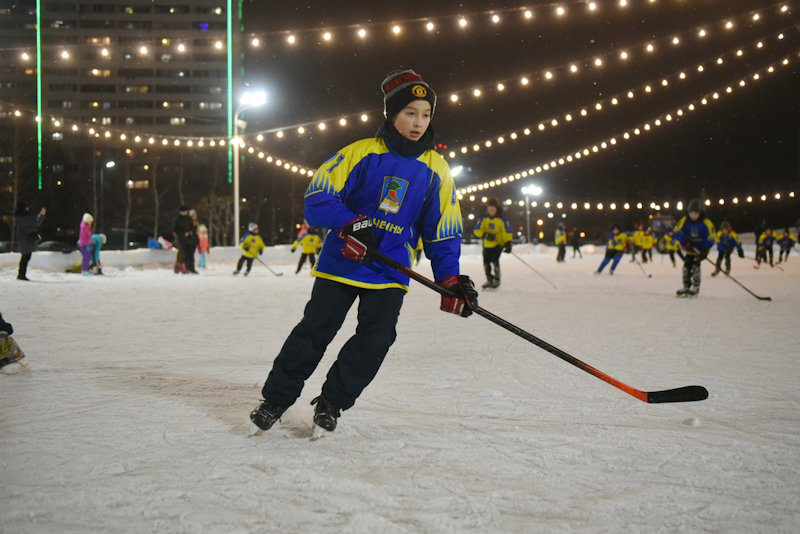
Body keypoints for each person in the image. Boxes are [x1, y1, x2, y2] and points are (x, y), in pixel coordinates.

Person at [250, 69, 476, 434]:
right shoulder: (360, 152)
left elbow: (442, 231)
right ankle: (276, 399)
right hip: (341, 262)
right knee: (314, 331)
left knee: (377, 339)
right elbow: (317, 197)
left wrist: (449, 277)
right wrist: (351, 223)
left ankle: (332, 402)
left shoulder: (436, 169)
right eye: (409, 113)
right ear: (391, 114)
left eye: (426, 114)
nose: (418, 123)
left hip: (391, 271)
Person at [672, 199, 715, 296]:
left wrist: (705, 249)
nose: (693, 216)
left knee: (696, 266)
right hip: (689, 249)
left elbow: (711, 238)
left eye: (696, 214)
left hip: (700, 250)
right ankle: (686, 286)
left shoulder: (706, 223)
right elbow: (677, 232)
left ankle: (696, 286)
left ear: (699, 213)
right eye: (691, 213)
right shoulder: (684, 220)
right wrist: (685, 241)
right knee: (686, 267)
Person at [473, 198, 512, 288]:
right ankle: (489, 279)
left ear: (496, 209)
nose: (491, 211)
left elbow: (507, 231)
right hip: (487, 244)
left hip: (498, 244)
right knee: (486, 262)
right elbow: (477, 230)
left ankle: (497, 279)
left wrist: (507, 242)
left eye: (493, 209)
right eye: (490, 209)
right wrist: (485, 235)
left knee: (494, 260)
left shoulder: (502, 220)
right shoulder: (484, 219)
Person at [14, 202, 46, 281]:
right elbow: (35, 222)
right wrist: (41, 214)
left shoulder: (19, 217)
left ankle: (21, 274)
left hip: (23, 240)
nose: (28, 209)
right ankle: (21, 275)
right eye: (26, 207)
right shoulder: (24, 217)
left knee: (25, 257)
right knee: (25, 258)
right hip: (26, 241)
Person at [172, 206, 198, 274]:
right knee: (185, 254)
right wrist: (183, 233)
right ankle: (186, 268)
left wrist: (191, 232)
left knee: (190, 255)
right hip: (181, 240)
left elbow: (193, 227)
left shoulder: (188, 218)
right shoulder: (177, 219)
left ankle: (191, 269)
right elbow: (175, 229)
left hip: (189, 239)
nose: (185, 213)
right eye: (184, 212)